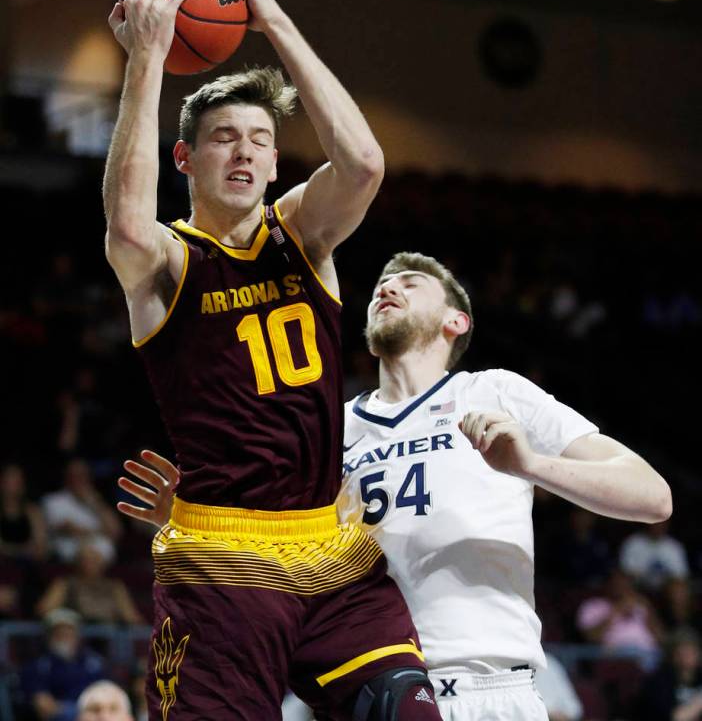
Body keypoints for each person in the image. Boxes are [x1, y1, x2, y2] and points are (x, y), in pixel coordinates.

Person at [104, 0, 440, 721]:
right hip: (222, 561)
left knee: (406, 711)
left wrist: (274, 17)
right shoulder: (167, 259)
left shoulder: (302, 235)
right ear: (184, 158)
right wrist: (147, 55)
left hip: (335, 553)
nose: (247, 151)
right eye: (225, 138)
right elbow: (124, 226)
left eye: (260, 140)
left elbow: (361, 164)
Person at [120, 251, 672, 721]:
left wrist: (530, 465)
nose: (389, 286)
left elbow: (652, 497)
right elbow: (273, 555)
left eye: (411, 282)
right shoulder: (325, 429)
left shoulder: (496, 392)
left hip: (486, 690)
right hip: (364, 690)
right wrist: (195, 521)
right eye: (383, 282)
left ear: (456, 321)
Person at [20, 608, 105, 721]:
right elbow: (44, 707)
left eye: (69, 632)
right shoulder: (37, 666)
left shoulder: (94, 663)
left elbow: (108, 696)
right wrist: (80, 713)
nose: (65, 637)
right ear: (49, 636)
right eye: (59, 633)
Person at [36, 541, 143, 625]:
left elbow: (131, 617)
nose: (89, 564)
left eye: (94, 560)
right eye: (85, 559)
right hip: (77, 636)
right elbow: (45, 609)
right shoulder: (65, 584)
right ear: (77, 561)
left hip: (109, 637)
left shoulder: (114, 587)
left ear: (103, 563)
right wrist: (69, 618)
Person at [42, 458, 121, 564]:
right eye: (75, 475)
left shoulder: (95, 501)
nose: (80, 479)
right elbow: (69, 528)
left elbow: (116, 531)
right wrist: (100, 531)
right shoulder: (54, 500)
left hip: (104, 562)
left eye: (83, 475)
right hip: (72, 557)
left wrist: (95, 504)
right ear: (66, 476)